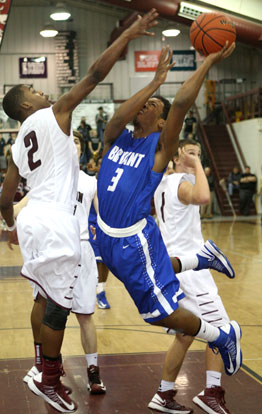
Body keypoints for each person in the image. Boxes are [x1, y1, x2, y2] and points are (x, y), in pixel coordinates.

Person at [0, 8, 160, 412]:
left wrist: (10, 226)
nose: (41, 92)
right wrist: (127, 37)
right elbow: (93, 76)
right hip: (54, 222)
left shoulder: (18, 143)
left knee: (43, 299)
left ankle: (40, 368)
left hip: (32, 218)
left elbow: (5, 198)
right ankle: (49, 381)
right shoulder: (50, 116)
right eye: (32, 90)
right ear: (24, 105)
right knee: (58, 306)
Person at [96, 42, 242, 411]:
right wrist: (153, 82)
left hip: (133, 240)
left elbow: (179, 105)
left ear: (162, 125)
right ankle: (200, 259)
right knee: (175, 318)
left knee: (160, 315)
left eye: (153, 106)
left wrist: (207, 61)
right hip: (110, 240)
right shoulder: (117, 137)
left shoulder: (159, 150)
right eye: (144, 102)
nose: (146, 104)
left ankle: (221, 336)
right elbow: (125, 112)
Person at [20, 131, 106, 395]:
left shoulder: (90, 181)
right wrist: (11, 220)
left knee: (85, 316)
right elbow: (22, 205)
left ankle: (93, 372)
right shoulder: (47, 179)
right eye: (70, 140)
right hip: (53, 249)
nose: (73, 145)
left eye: (78, 141)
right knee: (45, 308)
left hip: (81, 248)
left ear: (81, 149)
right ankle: (46, 365)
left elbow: (104, 218)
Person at [152, 138, 233, 414]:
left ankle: (163, 393)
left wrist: (192, 161)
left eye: (199, 153)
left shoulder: (162, 184)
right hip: (190, 270)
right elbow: (203, 197)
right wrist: (197, 163)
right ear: (176, 156)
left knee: (185, 335)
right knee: (222, 332)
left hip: (174, 265)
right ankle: (211, 392)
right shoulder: (179, 183)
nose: (196, 157)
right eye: (190, 152)